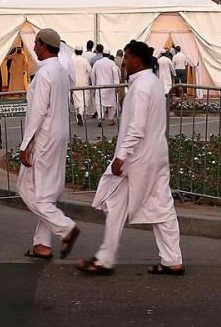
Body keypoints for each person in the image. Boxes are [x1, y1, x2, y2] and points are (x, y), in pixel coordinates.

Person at [78, 41, 183, 276]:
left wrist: (121, 156)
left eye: (126, 57)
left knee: (115, 202)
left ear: (137, 60)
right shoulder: (153, 83)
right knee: (162, 206)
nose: (123, 63)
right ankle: (172, 259)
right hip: (155, 155)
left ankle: (105, 259)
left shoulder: (142, 87)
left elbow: (136, 128)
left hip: (137, 159)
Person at [18, 28, 80, 260]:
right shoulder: (61, 71)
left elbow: (38, 112)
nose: (33, 47)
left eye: (36, 43)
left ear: (44, 45)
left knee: (27, 188)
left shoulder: (45, 74)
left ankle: (65, 227)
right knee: (47, 191)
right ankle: (42, 244)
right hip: (59, 133)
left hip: (44, 136)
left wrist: (26, 144)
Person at [91, 46, 120, 123]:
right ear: (109, 55)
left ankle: (100, 118)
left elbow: (93, 74)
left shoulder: (97, 63)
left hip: (99, 86)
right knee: (111, 104)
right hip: (110, 87)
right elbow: (115, 75)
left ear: (103, 54)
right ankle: (111, 119)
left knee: (99, 103)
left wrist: (94, 85)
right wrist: (116, 85)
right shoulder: (112, 63)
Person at [71, 41, 94, 123]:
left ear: (75, 51)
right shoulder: (84, 61)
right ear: (81, 51)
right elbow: (90, 71)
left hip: (74, 84)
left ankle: (78, 118)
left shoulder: (72, 60)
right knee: (83, 101)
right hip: (84, 83)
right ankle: (80, 114)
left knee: (76, 101)